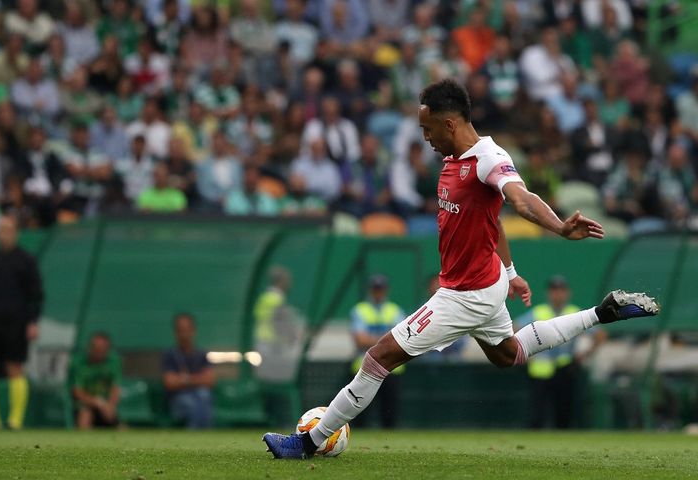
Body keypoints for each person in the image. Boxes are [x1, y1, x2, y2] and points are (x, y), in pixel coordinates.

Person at [263, 78, 659, 459]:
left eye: (427, 127)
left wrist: (558, 226)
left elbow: (520, 199)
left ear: (449, 122)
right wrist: (510, 270)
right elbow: (494, 221)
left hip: (464, 293)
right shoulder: (454, 159)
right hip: (487, 281)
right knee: (510, 354)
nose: (425, 136)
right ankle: (601, 312)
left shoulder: (489, 158)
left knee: (377, 359)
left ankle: (309, 443)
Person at [0, 215, 44, 430]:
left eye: (6, 229)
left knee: (14, 367)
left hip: (17, 322)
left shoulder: (26, 260)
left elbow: (36, 295)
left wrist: (33, 321)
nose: (1, 233)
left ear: (16, 232)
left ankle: (15, 420)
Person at [515, 276, 605, 429]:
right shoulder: (540, 312)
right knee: (537, 413)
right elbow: (515, 327)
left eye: (561, 290)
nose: (558, 294)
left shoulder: (573, 312)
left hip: (565, 368)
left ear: (567, 293)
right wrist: (525, 354)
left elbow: (600, 334)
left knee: (563, 413)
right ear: (549, 293)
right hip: (540, 370)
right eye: (554, 291)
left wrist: (584, 354)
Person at [349, 275, 404, 429]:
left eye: (380, 289)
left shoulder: (395, 310)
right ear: (370, 290)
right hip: (363, 366)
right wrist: (386, 341)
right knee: (360, 410)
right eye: (375, 289)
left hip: (392, 368)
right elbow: (359, 340)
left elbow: (401, 340)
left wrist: (372, 339)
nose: (378, 293)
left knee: (389, 411)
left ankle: (388, 440)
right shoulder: (360, 310)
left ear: (386, 290)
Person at [162, 313, 216, 429]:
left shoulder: (201, 355)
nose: (184, 334)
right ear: (176, 333)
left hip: (199, 397)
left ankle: (205, 435)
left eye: (187, 330)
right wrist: (197, 379)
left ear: (193, 331)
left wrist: (185, 379)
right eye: (181, 330)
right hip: (178, 401)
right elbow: (170, 383)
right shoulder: (170, 355)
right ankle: (195, 437)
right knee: (190, 402)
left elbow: (210, 380)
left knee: (204, 395)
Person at [70, 332, 122, 429]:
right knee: (85, 415)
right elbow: (77, 392)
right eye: (95, 348)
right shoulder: (79, 364)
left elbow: (116, 388)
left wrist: (110, 405)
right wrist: (97, 402)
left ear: (107, 349)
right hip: (86, 405)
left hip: (106, 406)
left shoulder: (114, 362)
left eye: (102, 349)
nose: (98, 351)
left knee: (117, 424)